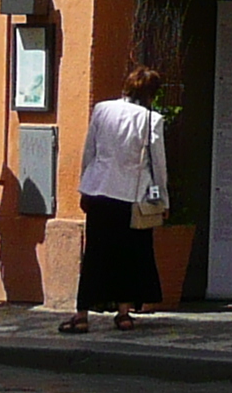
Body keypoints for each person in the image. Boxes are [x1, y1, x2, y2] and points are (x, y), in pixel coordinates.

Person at [62, 65, 170, 332]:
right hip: (130, 194)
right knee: (128, 255)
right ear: (150, 93)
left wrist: (84, 186)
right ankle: (123, 313)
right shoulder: (150, 119)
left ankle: (82, 314)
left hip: (99, 190)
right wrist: (163, 199)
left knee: (95, 254)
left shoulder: (102, 109)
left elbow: (91, 150)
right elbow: (158, 163)